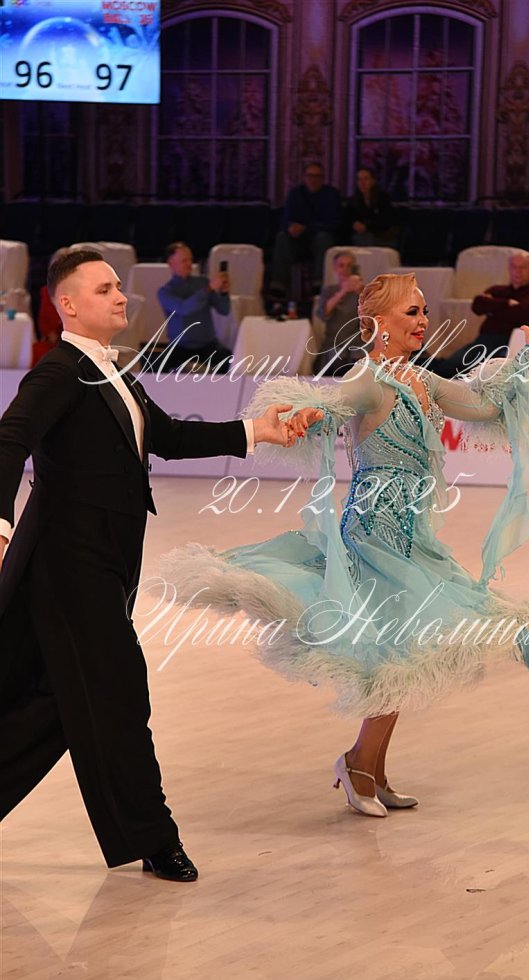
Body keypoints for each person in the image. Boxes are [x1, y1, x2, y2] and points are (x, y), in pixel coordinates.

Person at [163, 273, 529, 819]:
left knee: (406, 651)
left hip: (412, 538)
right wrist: (308, 413)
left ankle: (371, 768)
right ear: (378, 323)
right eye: (411, 312)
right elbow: (329, 404)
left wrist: (527, 351)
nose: (423, 321)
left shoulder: (423, 380)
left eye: (424, 311)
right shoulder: (368, 379)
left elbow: (485, 406)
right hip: (373, 536)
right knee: (395, 652)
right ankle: (360, 764)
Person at [0, 249, 298, 881]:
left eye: (119, 286)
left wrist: (256, 431)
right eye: (104, 289)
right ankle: (155, 837)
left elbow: (166, 436)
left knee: (54, 702)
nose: (121, 296)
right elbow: (8, 441)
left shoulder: (114, 372)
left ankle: (144, 833)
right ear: (68, 304)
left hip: (106, 563)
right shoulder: (58, 372)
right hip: (67, 568)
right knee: (119, 695)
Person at [429, 252, 529, 378]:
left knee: (474, 371)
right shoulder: (498, 290)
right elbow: (477, 305)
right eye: (514, 267)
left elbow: (520, 314)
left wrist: (492, 308)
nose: (517, 271)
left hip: (512, 343)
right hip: (484, 341)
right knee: (449, 366)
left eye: (522, 267)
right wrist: (506, 303)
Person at [157, 242, 232, 373]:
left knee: (230, 361)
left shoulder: (202, 282)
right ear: (171, 262)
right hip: (179, 347)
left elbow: (224, 310)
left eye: (190, 260)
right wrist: (209, 288)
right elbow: (184, 309)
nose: (189, 264)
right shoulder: (165, 292)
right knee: (156, 368)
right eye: (184, 260)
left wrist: (224, 293)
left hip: (208, 345)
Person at [270, 163, 342, 298]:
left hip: (319, 241)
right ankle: (278, 286)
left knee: (323, 238)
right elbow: (285, 219)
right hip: (298, 242)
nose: (313, 180)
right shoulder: (295, 194)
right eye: (310, 176)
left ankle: (318, 284)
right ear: (304, 177)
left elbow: (333, 223)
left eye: (317, 176)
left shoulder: (331, 195)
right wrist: (291, 227)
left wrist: (306, 228)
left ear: (322, 178)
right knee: (282, 237)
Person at [313, 250, 364, 376]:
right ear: (335, 268)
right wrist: (343, 291)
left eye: (349, 266)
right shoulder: (329, 291)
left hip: (357, 343)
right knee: (337, 360)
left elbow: (372, 317)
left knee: (360, 362)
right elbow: (322, 314)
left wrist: (361, 292)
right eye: (341, 266)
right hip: (334, 343)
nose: (345, 270)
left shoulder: (363, 291)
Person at [345, 167, 398, 247]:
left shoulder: (383, 198)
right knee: (362, 237)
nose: (362, 183)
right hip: (361, 235)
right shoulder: (353, 201)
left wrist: (367, 226)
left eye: (366, 179)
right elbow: (348, 219)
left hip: (382, 236)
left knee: (367, 238)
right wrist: (354, 224)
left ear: (373, 181)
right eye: (359, 179)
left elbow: (386, 221)